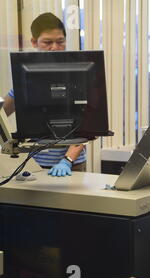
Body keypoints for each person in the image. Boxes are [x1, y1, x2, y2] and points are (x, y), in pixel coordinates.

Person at [1, 12, 86, 177]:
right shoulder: (26, 76)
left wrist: (67, 160)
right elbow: (3, 112)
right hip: (31, 164)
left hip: (71, 165)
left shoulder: (78, 74)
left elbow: (86, 126)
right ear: (34, 42)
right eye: (47, 42)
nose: (54, 47)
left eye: (60, 42)